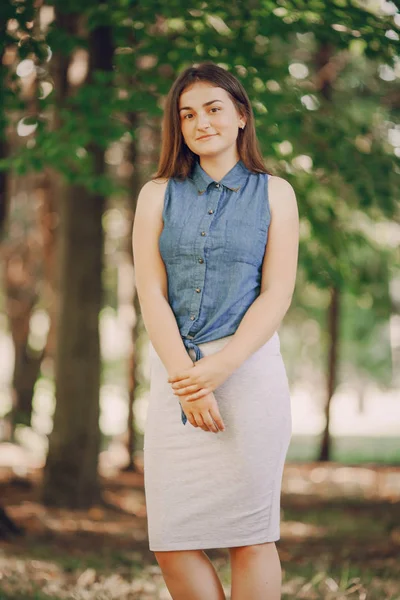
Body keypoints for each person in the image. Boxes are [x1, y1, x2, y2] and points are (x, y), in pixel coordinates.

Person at [132, 62, 299, 600]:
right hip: (175, 376)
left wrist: (219, 370)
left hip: (249, 376)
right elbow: (151, 293)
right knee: (172, 539)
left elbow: (276, 293)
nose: (201, 122)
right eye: (187, 114)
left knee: (250, 536)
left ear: (241, 117)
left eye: (213, 108)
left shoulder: (276, 194)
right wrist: (188, 377)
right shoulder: (156, 195)